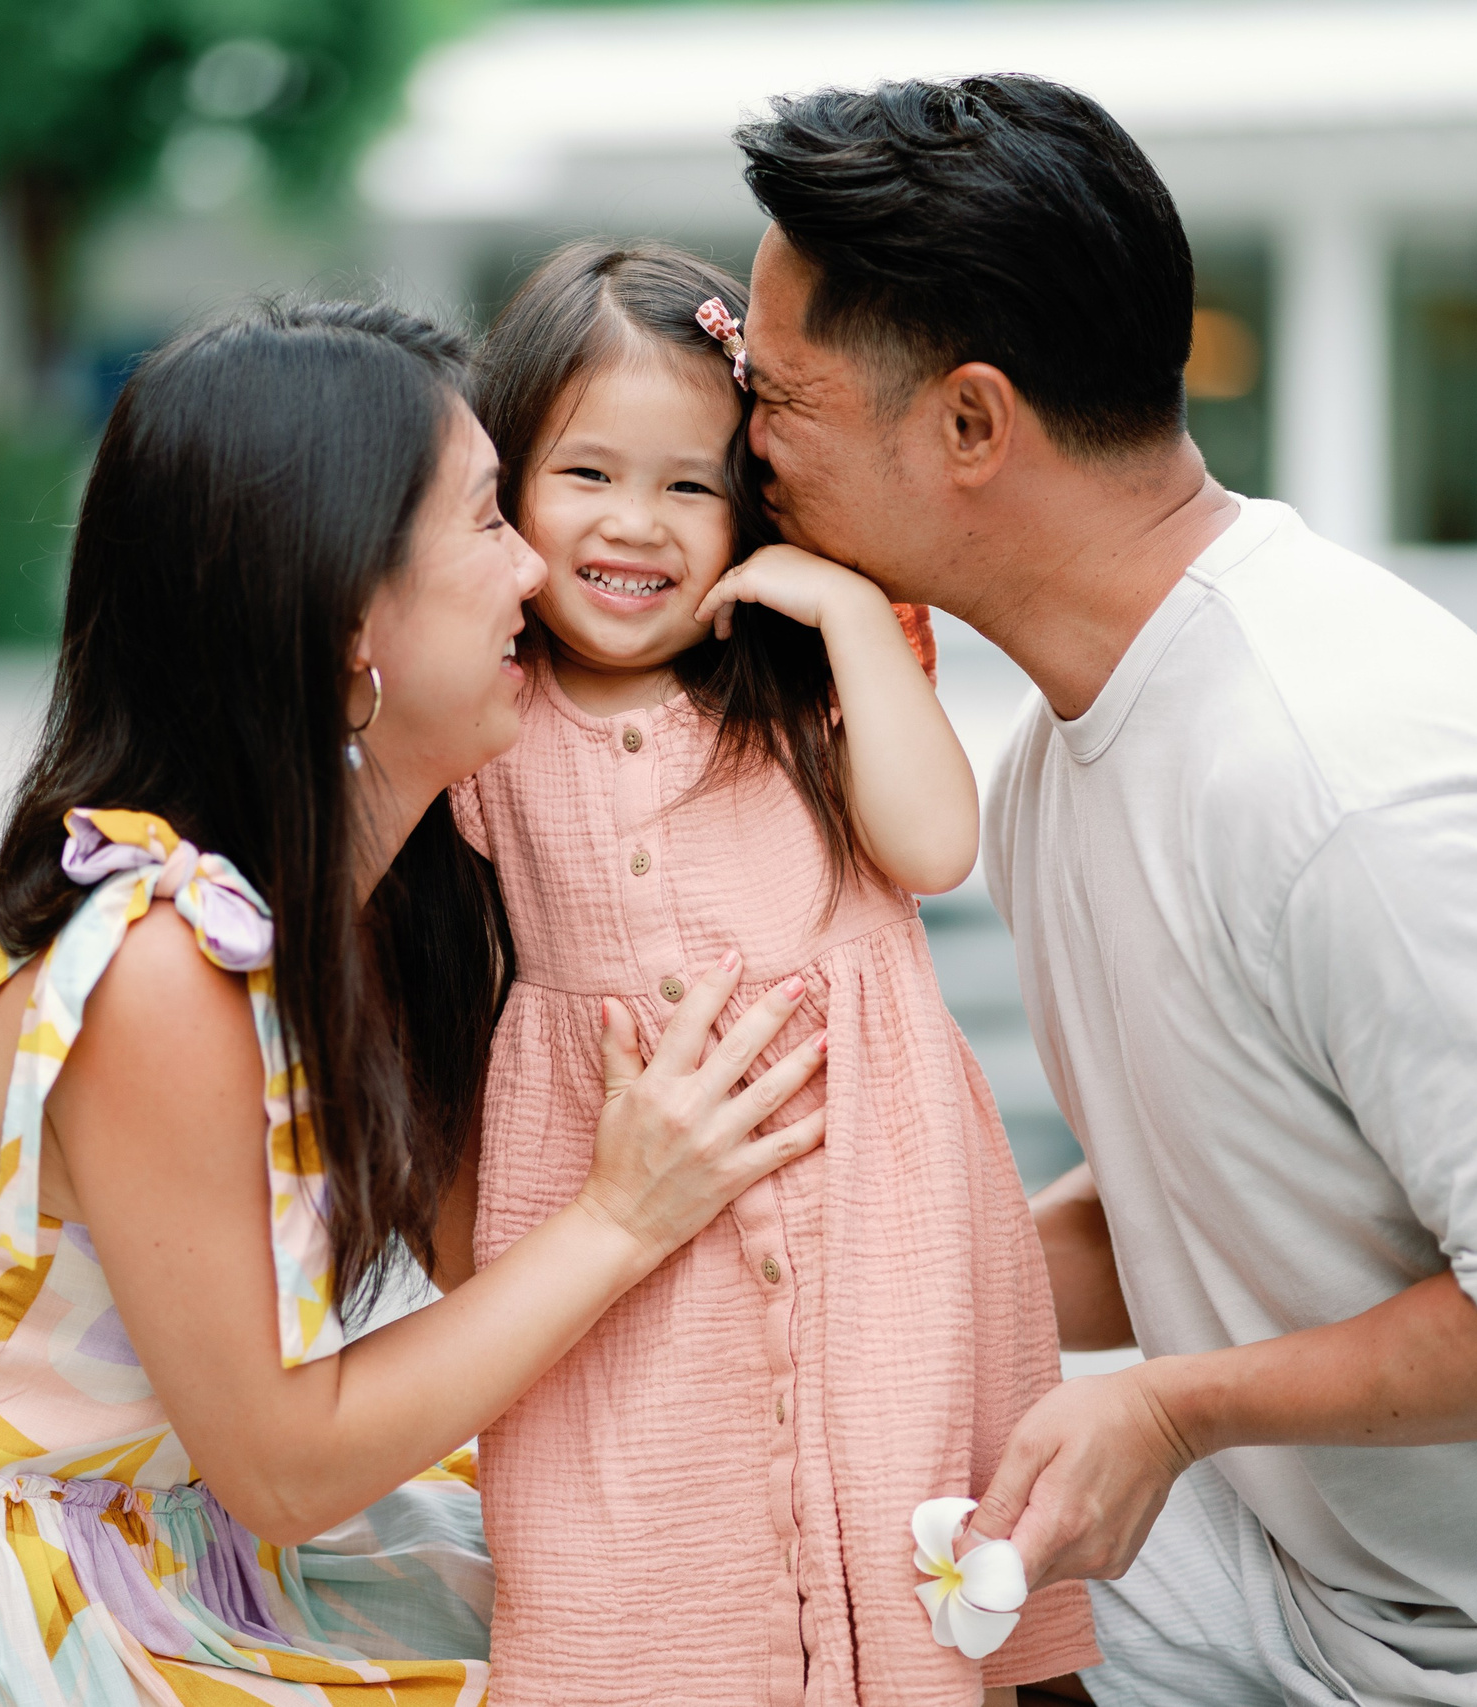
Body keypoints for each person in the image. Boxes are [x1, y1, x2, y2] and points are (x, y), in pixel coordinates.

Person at [732, 75, 1477, 1706]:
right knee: (767, 1565)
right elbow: (1207, 1183)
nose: (742, 453)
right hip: (1309, 1574)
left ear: (969, 425)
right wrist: (857, 1276)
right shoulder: (1061, 756)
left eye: (776, 401)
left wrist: (1170, 1407)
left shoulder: (1343, 774)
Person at [0, 300, 833, 1705]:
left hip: (155, 1506)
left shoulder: (401, 877)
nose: (537, 567)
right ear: (343, 622)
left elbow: (475, 1268)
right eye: (486, 519)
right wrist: (624, 1214)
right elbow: (282, 1463)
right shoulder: (160, 969)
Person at [453, 238, 1094, 1707]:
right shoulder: (489, 714)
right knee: (644, 1599)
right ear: (502, 493)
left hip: (878, 1227)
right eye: (586, 475)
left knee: (911, 1576)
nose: (639, 525)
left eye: (691, 483)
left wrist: (856, 617)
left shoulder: (805, 690)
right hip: (628, 1257)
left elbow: (935, 849)